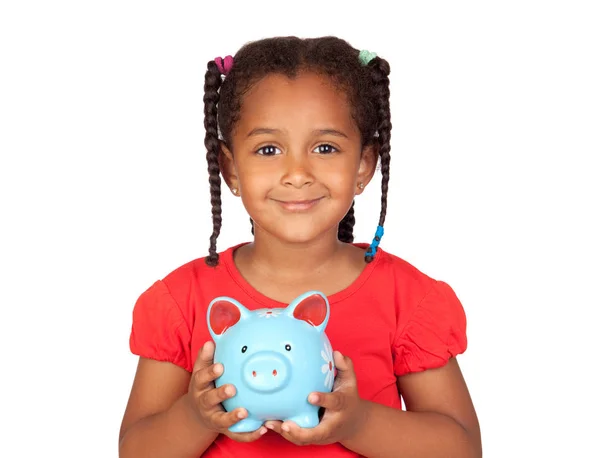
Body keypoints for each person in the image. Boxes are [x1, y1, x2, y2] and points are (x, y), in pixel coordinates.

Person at [118, 36, 481, 458]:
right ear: (230, 168)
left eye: (325, 148)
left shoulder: (408, 299)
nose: (296, 173)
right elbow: (135, 450)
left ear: (364, 166)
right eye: (268, 149)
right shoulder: (181, 301)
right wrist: (197, 417)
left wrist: (359, 422)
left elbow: (461, 448)